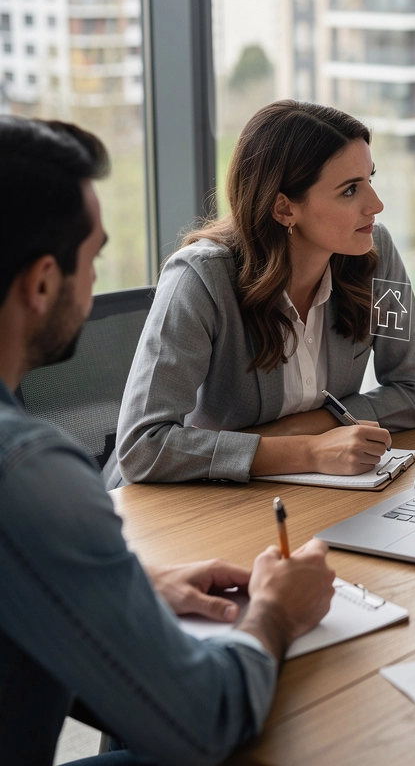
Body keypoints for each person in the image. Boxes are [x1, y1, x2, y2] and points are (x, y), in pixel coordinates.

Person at [0, 116, 337, 766]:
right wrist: (273, 610)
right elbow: (205, 720)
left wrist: (129, 582)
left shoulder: (366, 262)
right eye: (93, 258)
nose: (98, 280)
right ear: (42, 282)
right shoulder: (28, 471)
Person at [115, 101, 415, 485]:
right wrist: (308, 450)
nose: (376, 205)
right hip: (196, 503)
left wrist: (309, 426)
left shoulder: (372, 254)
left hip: (312, 493)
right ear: (284, 209)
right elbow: (142, 447)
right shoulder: (200, 278)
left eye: (369, 179)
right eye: (350, 190)